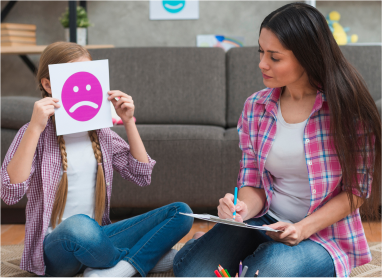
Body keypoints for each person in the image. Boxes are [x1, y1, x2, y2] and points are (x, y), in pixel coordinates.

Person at [173, 3, 382, 278]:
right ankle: (203, 246)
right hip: (264, 222)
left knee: (268, 269)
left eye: (274, 57)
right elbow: (253, 182)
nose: (262, 63)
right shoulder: (256, 106)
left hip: (322, 235)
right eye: (261, 52)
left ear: (308, 57)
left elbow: (356, 192)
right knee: (191, 272)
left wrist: (303, 228)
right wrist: (242, 208)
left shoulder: (348, 110)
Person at [0, 42, 193, 278]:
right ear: (48, 85)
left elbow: (141, 175)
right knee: (79, 225)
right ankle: (138, 260)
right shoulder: (34, 134)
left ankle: (115, 267)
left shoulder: (102, 135)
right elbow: (9, 192)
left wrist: (129, 121)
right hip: (56, 253)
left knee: (182, 212)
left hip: (97, 241)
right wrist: (34, 129)